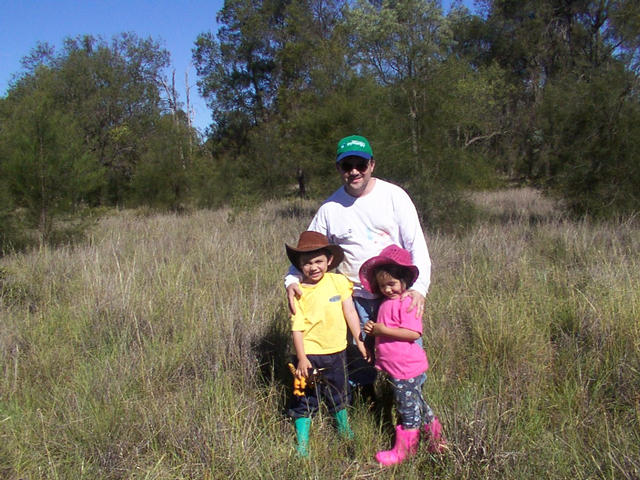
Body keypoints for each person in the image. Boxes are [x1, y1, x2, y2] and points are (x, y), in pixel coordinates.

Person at [285, 134, 431, 395]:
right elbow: (308, 250)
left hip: (397, 296)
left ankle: (414, 408)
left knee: (406, 354)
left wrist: (419, 288)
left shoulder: (394, 196)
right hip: (356, 298)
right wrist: (291, 281)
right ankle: (370, 401)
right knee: (362, 353)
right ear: (338, 168)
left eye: (360, 164)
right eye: (347, 165)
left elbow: (416, 245)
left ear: (372, 165)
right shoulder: (330, 208)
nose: (354, 171)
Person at [359, 244, 446, 466]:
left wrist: (381, 330)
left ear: (404, 280)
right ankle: (436, 440)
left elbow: (413, 332)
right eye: (382, 285)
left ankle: (405, 450)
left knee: (406, 408)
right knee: (417, 402)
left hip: (406, 367)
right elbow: (385, 328)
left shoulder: (407, 302)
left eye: (392, 284)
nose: (387, 289)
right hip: (397, 366)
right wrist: (374, 329)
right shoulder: (387, 303)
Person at [285, 230, 368, 457]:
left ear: (329, 260)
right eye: (307, 262)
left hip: (337, 351)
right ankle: (302, 444)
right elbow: (297, 328)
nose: (314, 267)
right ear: (300, 265)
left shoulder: (338, 282)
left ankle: (344, 430)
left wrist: (359, 341)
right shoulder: (298, 292)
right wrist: (301, 357)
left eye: (319, 261)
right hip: (309, 355)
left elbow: (350, 311)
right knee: (303, 396)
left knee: (338, 392)